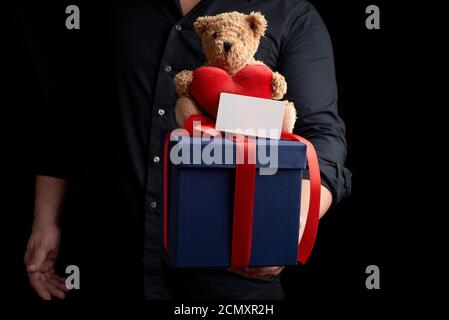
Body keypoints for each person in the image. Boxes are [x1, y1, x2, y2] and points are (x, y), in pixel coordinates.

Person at [24, 0, 351, 300]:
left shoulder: (290, 13)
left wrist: (286, 229)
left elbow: (323, 139)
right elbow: (65, 120)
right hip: (112, 265)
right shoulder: (107, 7)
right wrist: (44, 222)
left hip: (231, 282)